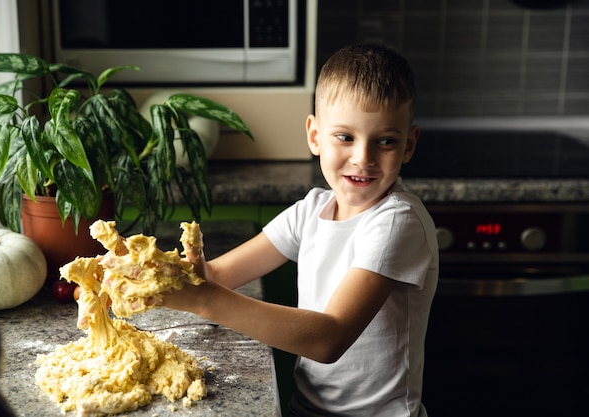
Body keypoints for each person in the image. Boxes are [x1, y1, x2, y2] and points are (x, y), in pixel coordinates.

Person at [159, 43, 439, 417]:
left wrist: (204, 299)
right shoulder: (311, 212)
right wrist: (144, 276)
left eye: (385, 141)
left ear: (409, 145)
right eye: (345, 137)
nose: (363, 158)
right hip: (307, 409)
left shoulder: (396, 221)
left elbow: (329, 338)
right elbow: (218, 275)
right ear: (314, 135)